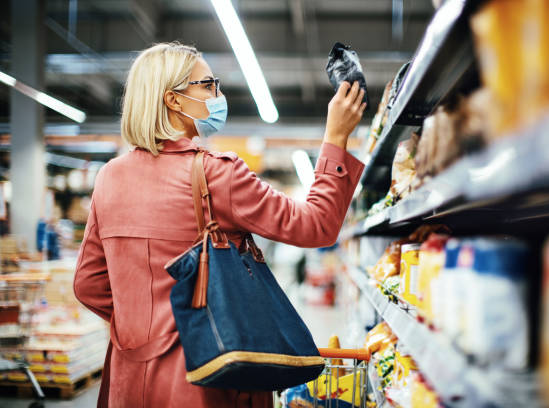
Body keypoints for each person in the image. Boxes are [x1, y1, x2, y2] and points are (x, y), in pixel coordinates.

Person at [73, 42, 365, 408]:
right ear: (173, 100)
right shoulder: (214, 173)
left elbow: (88, 284)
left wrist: (143, 329)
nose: (218, 94)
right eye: (208, 85)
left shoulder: (109, 178)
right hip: (207, 377)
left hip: (127, 381)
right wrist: (336, 139)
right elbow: (315, 225)